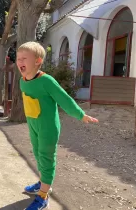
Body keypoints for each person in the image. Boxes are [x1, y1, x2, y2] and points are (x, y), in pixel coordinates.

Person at [16, 42, 99, 210]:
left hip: (48, 128)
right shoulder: (22, 81)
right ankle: (43, 183)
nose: (20, 62)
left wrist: (80, 115)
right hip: (33, 125)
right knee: (38, 156)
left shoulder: (47, 81)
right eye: (18, 59)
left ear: (38, 61)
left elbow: (65, 99)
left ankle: (43, 196)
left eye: (24, 58)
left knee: (46, 157)